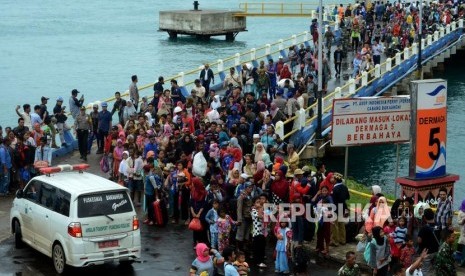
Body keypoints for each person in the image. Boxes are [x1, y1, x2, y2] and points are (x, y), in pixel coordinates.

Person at [417, 208, 440, 275]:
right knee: (434, 269)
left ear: (425, 217)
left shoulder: (424, 228)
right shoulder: (438, 225)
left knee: (424, 270)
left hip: (426, 252)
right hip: (436, 250)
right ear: (433, 215)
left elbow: (419, 240)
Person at [331, 173, 350, 246]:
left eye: (333, 178)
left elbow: (333, 200)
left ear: (335, 180)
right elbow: (348, 197)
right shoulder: (345, 187)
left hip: (335, 209)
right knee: (341, 225)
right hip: (342, 208)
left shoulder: (335, 188)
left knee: (335, 226)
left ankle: (335, 241)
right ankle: (343, 240)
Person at [251, 196, 266, 268]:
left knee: (262, 247)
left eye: (259, 202)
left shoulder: (261, 210)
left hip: (262, 232)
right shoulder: (253, 211)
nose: (259, 203)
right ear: (253, 204)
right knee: (258, 248)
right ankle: (258, 262)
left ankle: (261, 261)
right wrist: (261, 208)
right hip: (257, 233)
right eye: (257, 202)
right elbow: (260, 216)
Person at [458, 198, 465, 267]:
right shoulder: (460, 212)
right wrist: (463, 220)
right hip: (463, 233)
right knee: (463, 248)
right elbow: (459, 222)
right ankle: (462, 262)